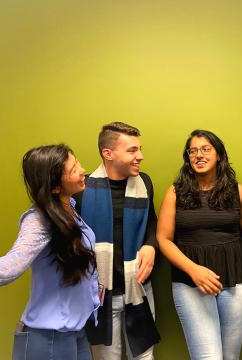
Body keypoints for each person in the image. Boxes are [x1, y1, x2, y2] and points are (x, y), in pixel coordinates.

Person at [0, 144, 99, 360]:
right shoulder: (38, 220)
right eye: (73, 170)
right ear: (54, 187)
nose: (82, 170)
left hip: (75, 332)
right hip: (49, 339)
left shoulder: (69, 208)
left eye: (77, 162)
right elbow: (15, 260)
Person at [156, 129, 242, 360]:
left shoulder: (237, 191)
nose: (198, 155)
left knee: (230, 356)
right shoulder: (176, 192)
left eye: (205, 149)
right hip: (191, 283)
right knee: (208, 357)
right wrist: (194, 271)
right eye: (193, 151)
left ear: (219, 155)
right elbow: (163, 239)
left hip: (236, 280)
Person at [74, 122, 160, 360]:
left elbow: (152, 223)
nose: (140, 156)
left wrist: (151, 246)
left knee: (144, 357)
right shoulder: (81, 190)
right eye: (132, 150)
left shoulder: (145, 183)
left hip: (139, 290)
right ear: (108, 153)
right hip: (99, 295)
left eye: (139, 149)